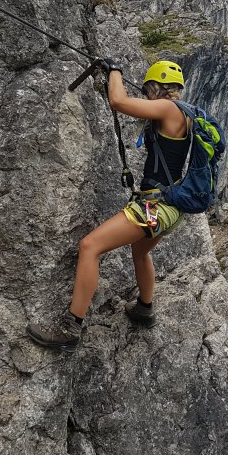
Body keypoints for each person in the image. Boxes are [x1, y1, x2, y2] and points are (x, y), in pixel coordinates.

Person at [26, 59, 191, 350]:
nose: (146, 94)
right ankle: (145, 309)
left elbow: (118, 101)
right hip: (170, 209)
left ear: (156, 87)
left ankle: (70, 329)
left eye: (148, 89)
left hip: (155, 207)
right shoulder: (183, 114)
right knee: (140, 252)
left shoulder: (168, 109)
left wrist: (115, 70)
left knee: (90, 246)